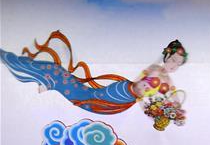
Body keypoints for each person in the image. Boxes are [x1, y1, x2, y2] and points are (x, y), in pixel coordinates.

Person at [0, 31, 187, 115]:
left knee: (87, 97)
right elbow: (140, 86)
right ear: (166, 56)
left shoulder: (168, 81)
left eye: (178, 63)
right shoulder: (155, 69)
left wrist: (174, 109)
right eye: (172, 60)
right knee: (87, 95)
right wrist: (149, 105)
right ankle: (52, 79)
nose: (173, 65)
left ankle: (53, 81)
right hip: (122, 91)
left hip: (126, 100)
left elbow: (173, 96)